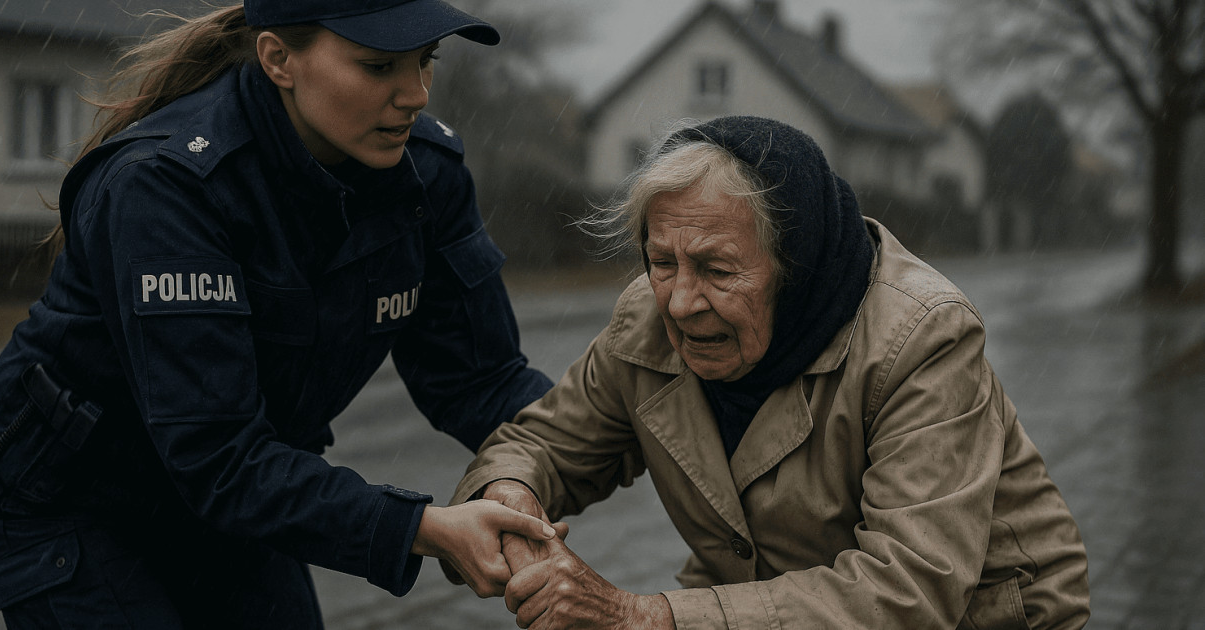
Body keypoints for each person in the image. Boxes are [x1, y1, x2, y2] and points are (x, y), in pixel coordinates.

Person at [0, 1, 560, 627]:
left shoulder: (423, 175)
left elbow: (479, 379)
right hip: (79, 500)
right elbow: (217, 455)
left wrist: (598, 436)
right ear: (278, 59)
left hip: (247, 486)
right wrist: (427, 527)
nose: (414, 93)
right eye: (379, 65)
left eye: (425, 60)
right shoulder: (166, 186)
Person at [452, 116, 1091, 629]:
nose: (679, 301)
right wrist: (510, 494)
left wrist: (645, 618)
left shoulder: (922, 336)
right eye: (662, 261)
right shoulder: (646, 321)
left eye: (717, 269)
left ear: (796, 266)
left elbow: (908, 591)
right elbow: (543, 444)